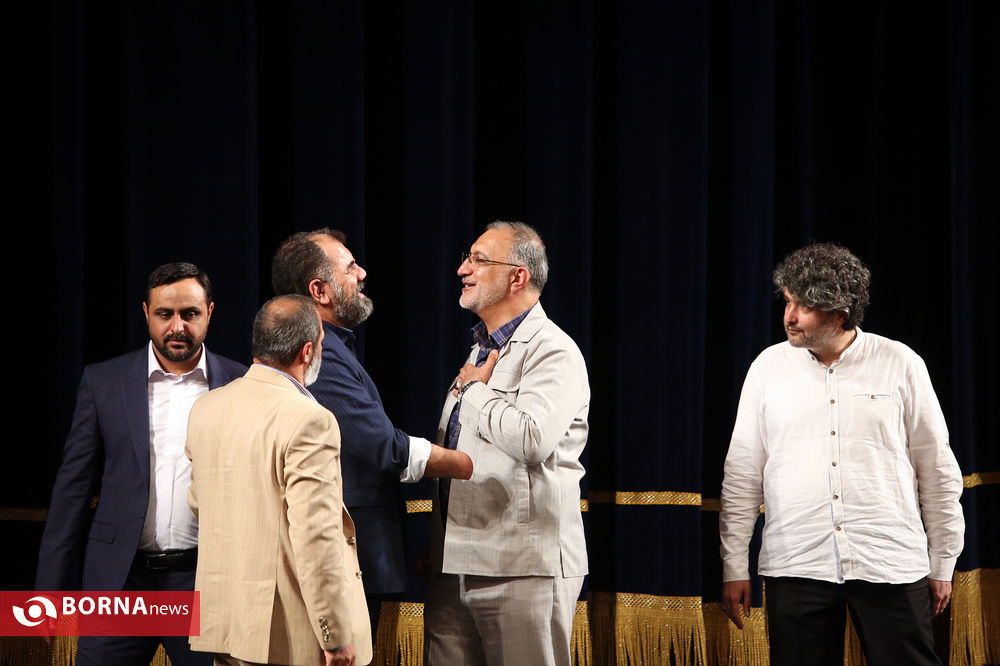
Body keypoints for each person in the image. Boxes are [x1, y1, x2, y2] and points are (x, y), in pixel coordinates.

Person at [719, 242, 965, 666]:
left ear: (840, 314)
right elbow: (742, 474)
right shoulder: (767, 368)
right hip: (796, 563)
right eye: (788, 301)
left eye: (805, 307)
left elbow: (937, 468)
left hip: (889, 560)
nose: (789, 317)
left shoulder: (900, 363)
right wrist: (734, 566)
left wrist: (942, 562)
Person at [36, 262, 246, 665]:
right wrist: (48, 593)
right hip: (120, 583)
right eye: (165, 314)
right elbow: (71, 495)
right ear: (146, 313)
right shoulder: (103, 382)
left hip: (204, 583)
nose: (177, 327)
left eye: (190, 314)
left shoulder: (241, 384)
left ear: (210, 313)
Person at [271, 229, 472, 637]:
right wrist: (466, 464)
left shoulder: (332, 346)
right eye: (350, 268)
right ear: (319, 291)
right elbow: (382, 447)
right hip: (342, 557)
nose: (362, 273)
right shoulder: (318, 351)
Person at [423, 221, 590, 666]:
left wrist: (474, 391)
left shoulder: (553, 350)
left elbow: (533, 439)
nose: (463, 268)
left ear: (518, 277)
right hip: (455, 565)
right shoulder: (481, 350)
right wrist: (438, 546)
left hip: (522, 568)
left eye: (479, 260)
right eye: (466, 258)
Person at [186, 295, 369, 666]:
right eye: (321, 343)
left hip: (226, 627)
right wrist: (334, 635)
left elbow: (200, 506)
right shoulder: (309, 419)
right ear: (307, 352)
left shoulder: (206, 408)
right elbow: (316, 538)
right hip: (289, 638)